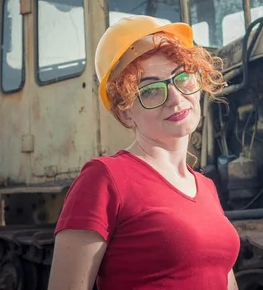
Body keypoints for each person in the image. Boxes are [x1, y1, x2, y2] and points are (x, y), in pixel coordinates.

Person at [48, 15, 240, 290]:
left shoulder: (205, 187)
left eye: (183, 77)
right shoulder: (105, 178)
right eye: (150, 90)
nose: (175, 97)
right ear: (126, 113)